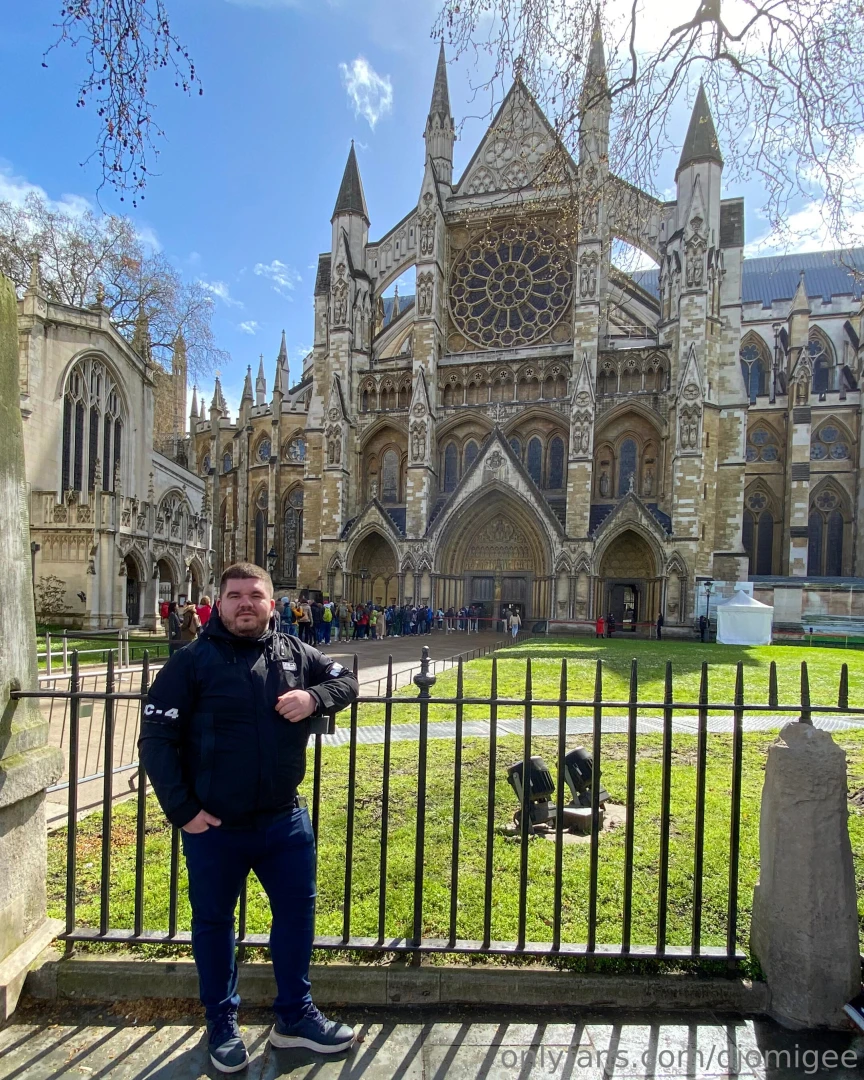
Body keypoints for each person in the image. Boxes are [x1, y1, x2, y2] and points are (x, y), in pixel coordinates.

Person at [139, 563, 359, 1072]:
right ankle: (221, 1023)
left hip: (284, 821)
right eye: (234, 595)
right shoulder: (190, 662)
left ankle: (295, 1017)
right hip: (215, 826)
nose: (245, 603)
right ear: (218, 603)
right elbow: (155, 741)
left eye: (255, 595)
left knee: (297, 918)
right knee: (214, 924)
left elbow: (346, 680)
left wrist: (314, 697)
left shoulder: (296, 653)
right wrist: (183, 811)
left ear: (271, 603)